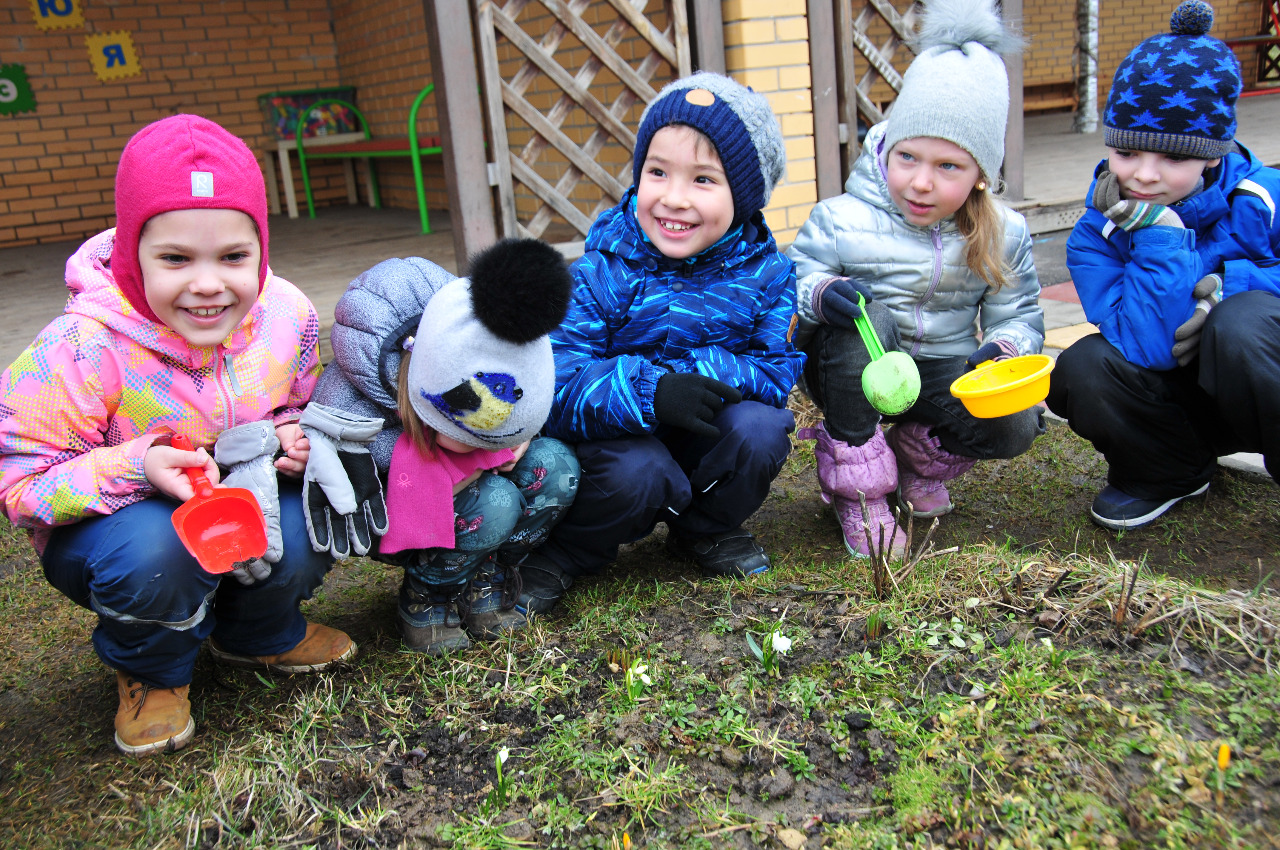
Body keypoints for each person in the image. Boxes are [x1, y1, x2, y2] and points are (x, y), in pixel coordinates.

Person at [0, 115, 354, 757]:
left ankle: (258, 632)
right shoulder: (79, 346)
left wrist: (289, 440)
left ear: (262, 249)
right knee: (160, 552)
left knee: (315, 513)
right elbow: (21, 482)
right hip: (125, 524)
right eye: (175, 259)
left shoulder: (288, 315)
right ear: (133, 253)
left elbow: (296, 405)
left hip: (244, 501)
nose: (209, 284)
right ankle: (151, 670)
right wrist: (139, 466)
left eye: (234, 257)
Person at [513, 71, 804, 595]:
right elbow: (557, 381)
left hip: (708, 432)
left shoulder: (769, 274)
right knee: (637, 473)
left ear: (744, 197)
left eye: (703, 180)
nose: (674, 198)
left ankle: (707, 530)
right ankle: (568, 552)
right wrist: (652, 391)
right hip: (622, 444)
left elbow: (776, 370)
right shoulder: (602, 270)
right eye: (657, 172)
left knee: (760, 432)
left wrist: (699, 373)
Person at [787, 0, 1045, 558]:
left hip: (936, 374)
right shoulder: (840, 218)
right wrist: (821, 294)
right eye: (908, 157)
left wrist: (1002, 350)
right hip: (853, 373)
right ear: (886, 147)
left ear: (981, 175)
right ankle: (858, 494)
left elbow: (1019, 315)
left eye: (948, 167)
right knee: (867, 314)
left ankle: (912, 457)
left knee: (1015, 423)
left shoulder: (1003, 232)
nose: (921, 182)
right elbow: (791, 282)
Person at [1048, 0, 1280, 530]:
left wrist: (1229, 289)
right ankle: (1169, 470)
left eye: (1174, 158)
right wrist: (1160, 237)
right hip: (1180, 397)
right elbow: (1146, 346)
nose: (1145, 176)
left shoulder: (1263, 199)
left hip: (1260, 387)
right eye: (1128, 153)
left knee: (1240, 324)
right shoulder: (1096, 233)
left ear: (1211, 155)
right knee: (1082, 368)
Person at [305, 239, 580, 654]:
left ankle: (485, 576)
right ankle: (428, 596)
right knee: (497, 502)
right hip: (399, 508)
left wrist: (518, 438)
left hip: (463, 489)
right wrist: (468, 462)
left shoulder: (484, 334)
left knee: (555, 466)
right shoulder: (354, 385)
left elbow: (518, 397)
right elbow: (344, 449)